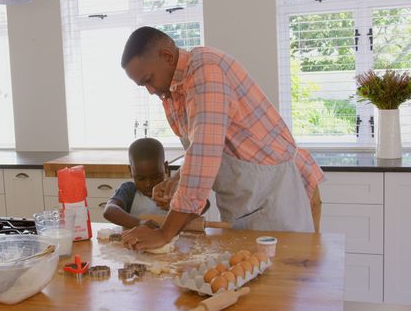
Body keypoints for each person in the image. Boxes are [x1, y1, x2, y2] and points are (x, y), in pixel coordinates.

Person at [119, 27, 325, 251]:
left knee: (281, 278)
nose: (150, 91)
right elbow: (203, 148)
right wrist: (176, 180)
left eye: (149, 80)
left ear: (167, 57)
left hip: (273, 199)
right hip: (244, 203)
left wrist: (164, 233)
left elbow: (203, 157)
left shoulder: (207, 73)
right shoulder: (174, 88)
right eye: (143, 85)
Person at [102, 138, 171, 229]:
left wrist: (173, 206)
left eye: (155, 177)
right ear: (131, 170)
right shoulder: (128, 190)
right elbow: (109, 211)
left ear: (165, 167)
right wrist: (140, 223)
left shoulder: (174, 190)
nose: (148, 184)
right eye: (141, 178)